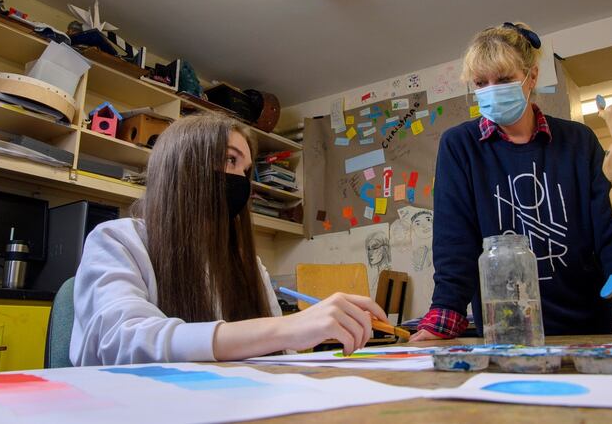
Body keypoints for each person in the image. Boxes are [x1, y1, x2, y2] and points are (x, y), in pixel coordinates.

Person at [411, 22, 612, 342]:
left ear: (532, 77)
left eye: (504, 80)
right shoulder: (459, 145)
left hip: (586, 325)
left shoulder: (578, 140)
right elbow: (454, 240)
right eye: (481, 82)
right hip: (506, 329)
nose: (492, 90)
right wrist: (444, 315)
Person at [70, 114, 388, 365]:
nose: (240, 180)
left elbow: (278, 356)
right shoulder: (117, 241)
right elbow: (122, 342)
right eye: (230, 160)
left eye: (246, 170)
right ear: (184, 165)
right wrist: (289, 329)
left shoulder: (248, 264)